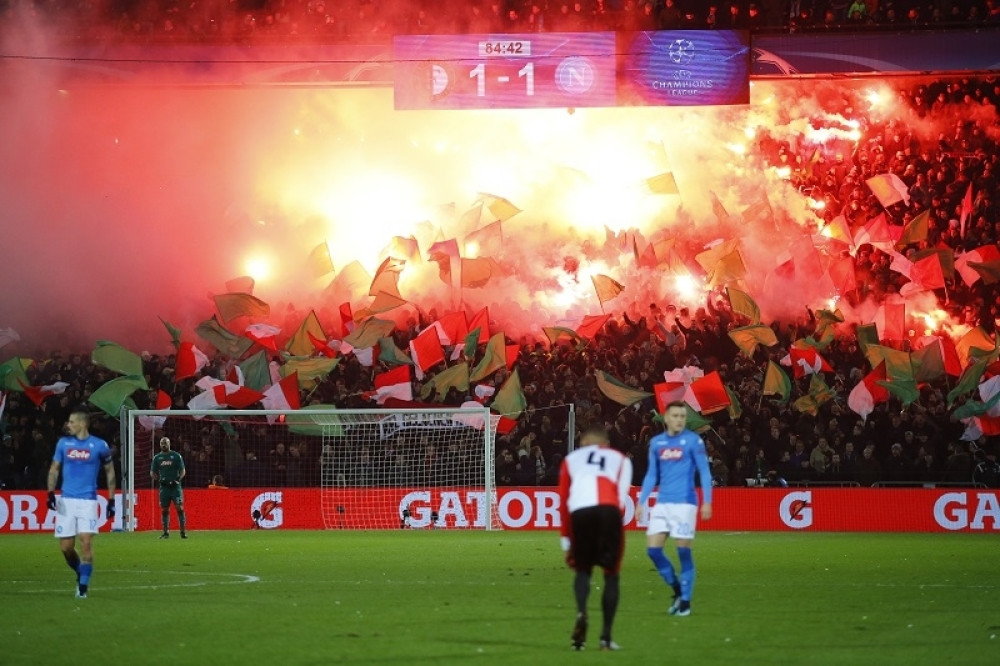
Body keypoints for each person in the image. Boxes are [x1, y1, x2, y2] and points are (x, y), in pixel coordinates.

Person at [558, 426, 633, 651]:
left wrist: (565, 537)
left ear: (585, 442)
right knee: (611, 576)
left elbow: (563, 501)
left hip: (580, 512)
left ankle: (582, 613)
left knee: (583, 571)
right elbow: (621, 499)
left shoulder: (571, 459)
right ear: (606, 444)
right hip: (609, 511)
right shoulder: (620, 459)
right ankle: (606, 638)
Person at [638, 401, 713, 617]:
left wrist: (707, 501)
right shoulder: (656, 443)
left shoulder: (693, 441)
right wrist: (641, 501)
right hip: (662, 503)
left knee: (683, 552)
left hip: (685, 503)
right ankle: (678, 591)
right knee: (653, 551)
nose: (680, 419)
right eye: (676, 416)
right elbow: (652, 475)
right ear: (666, 418)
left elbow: (705, 472)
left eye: (683, 416)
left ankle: (686, 603)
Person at [47, 407, 116, 599]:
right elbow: (54, 468)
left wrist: (111, 500)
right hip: (66, 500)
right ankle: (80, 571)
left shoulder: (99, 445)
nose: (68, 425)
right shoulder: (63, 444)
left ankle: (83, 588)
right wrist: (50, 492)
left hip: (88, 501)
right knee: (66, 547)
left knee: (86, 543)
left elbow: (110, 472)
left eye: (72, 422)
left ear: (83, 424)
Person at [150, 437, 187, 539]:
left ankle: (183, 532)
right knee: (164, 509)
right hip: (164, 487)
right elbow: (152, 472)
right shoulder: (157, 458)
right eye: (162, 443)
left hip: (175, 487)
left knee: (179, 508)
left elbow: (183, 470)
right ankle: (166, 533)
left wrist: (178, 479)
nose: (163, 445)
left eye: (165, 443)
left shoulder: (176, 456)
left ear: (169, 444)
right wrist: (157, 479)